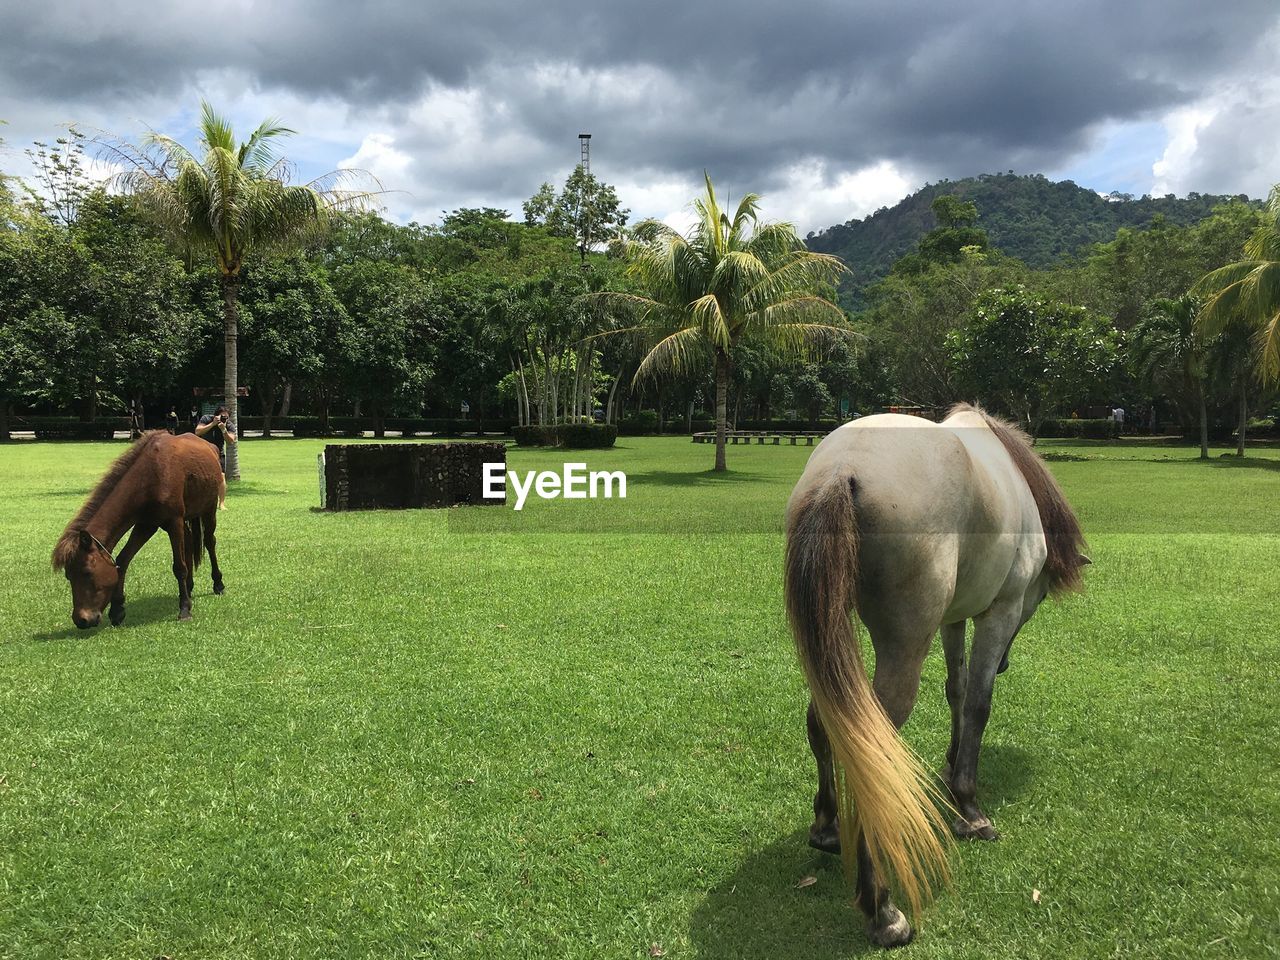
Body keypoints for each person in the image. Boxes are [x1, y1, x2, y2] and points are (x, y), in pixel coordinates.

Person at [195, 404, 237, 473]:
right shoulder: (207, 419)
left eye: (226, 417)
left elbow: (230, 441)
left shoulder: (229, 425)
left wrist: (224, 430)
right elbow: (197, 432)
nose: (224, 419)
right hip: (203, 452)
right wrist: (212, 424)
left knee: (221, 475)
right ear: (216, 415)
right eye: (222, 417)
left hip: (218, 453)